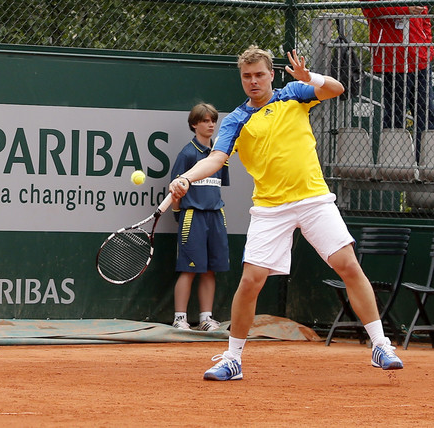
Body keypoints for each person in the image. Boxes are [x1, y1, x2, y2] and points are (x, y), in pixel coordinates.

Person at [168, 46, 404, 381]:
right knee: (251, 281)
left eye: (259, 75)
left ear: (271, 75)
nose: (253, 81)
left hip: (313, 200)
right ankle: (233, 358)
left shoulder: (293, 93)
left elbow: (336, 89)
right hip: (270, 208)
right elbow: (215, 159)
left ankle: (380, 345)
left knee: (348, 265)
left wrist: (312, 78)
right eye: (247, 76)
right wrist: (185, 177)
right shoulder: (236, 119)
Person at [170, 103, 230, 331]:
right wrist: (178, 212)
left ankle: (206, 318)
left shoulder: (220, 155)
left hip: (215, 216)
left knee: (209, 269)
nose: (210, 124)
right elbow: (174, 188)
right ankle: (179, 319)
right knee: (189, 268)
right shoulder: (186, 153)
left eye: (213, 120)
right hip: (192, 216)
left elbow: (217, 186)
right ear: (194, 124)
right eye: (205, 120)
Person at [361, 0, 434, 160]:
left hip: (419, 59)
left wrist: (428, 49)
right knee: (395, 114)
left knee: (427, 111)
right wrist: (404, 9)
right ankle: (394, 163)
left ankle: (425, 162)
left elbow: (425, 18)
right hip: (392, 60)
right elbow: (370, 9)